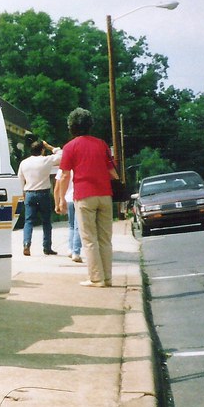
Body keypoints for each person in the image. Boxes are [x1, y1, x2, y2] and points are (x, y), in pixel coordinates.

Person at [55, 108, 119, 287]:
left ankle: (96, 278)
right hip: (105, 195)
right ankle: (108, 277)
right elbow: (112, 172)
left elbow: (65, 176)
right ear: (90, 125)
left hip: (84, 196)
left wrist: (60, 199)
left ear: (71, 127)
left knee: (89, 239)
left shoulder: (70, 147)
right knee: (105, 239)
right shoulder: (101, 144)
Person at [18, 138, 62, 256]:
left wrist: (22, 194)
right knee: (46, 221)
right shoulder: (46, 160)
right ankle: (47, 247)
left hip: (29, 193)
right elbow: (61, 155)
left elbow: (20, 180)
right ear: (42, 150)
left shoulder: (24, 163)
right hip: (43, 193)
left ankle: (26, 244)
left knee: (29, 221)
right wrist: (49, 146)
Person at [54, 168, 83, 263]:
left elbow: (57, 188)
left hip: (68, 199)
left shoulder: (62, 169)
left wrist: (57, 203)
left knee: (71, 226)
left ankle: (70, 248)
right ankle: (76, 252)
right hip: (79, 197)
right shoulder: (79, 167)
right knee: (78, 226)